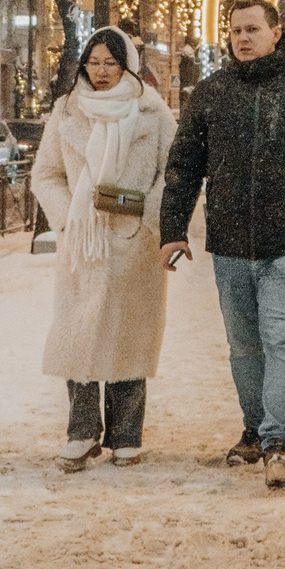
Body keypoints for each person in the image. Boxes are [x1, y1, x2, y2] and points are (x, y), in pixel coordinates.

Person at [160, 0, 285, 492]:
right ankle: (254, 428)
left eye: (252, 29)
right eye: (235, 31)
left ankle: (280, 443)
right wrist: (173, 229)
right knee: (243, 346)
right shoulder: (212, 92)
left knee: (279, 338)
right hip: (230, 241)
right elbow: (184, 166)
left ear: (276, 32)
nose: (242, 38)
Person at [30, 26, 177, 470]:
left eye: (110, 63)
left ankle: (126, 434)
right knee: (78, 336)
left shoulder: (153, 113)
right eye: (92, 63)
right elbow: (46, 174)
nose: (100, 72)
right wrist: (67, 219)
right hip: (84, 245)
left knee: (130, 335)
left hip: (133, 241)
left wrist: (144, 216)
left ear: (127, 64)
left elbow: (173, 176)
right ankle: (81, 431)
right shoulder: (67, 111)